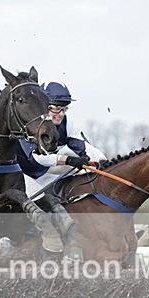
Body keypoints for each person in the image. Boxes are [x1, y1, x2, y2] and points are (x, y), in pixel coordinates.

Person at [15, 81, 107, 258]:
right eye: (55, 109)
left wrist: (103, 161)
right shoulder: (32, 124)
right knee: (41, 204)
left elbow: (85, 147)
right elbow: (37, 157)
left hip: (46, 174)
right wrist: (67, 159)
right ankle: (15, 239)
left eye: (64, 109)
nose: (60, 114)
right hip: (25, 174)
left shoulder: (67, 123)